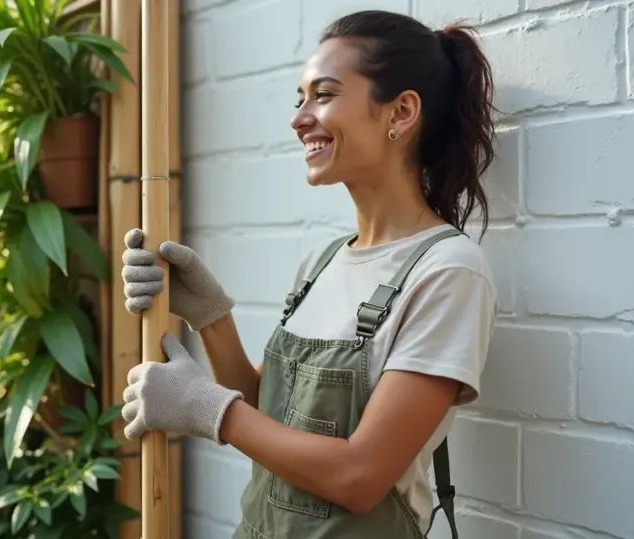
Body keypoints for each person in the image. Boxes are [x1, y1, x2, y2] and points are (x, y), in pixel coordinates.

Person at [119, 9, 498, 539]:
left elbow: (360, 475)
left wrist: (208, 408)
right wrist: (209, 313)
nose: (299, 119)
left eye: (323, 94)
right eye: (300, 99)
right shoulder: (321, 263)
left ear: (402, 111)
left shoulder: (448, 272)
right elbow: (268, 415)